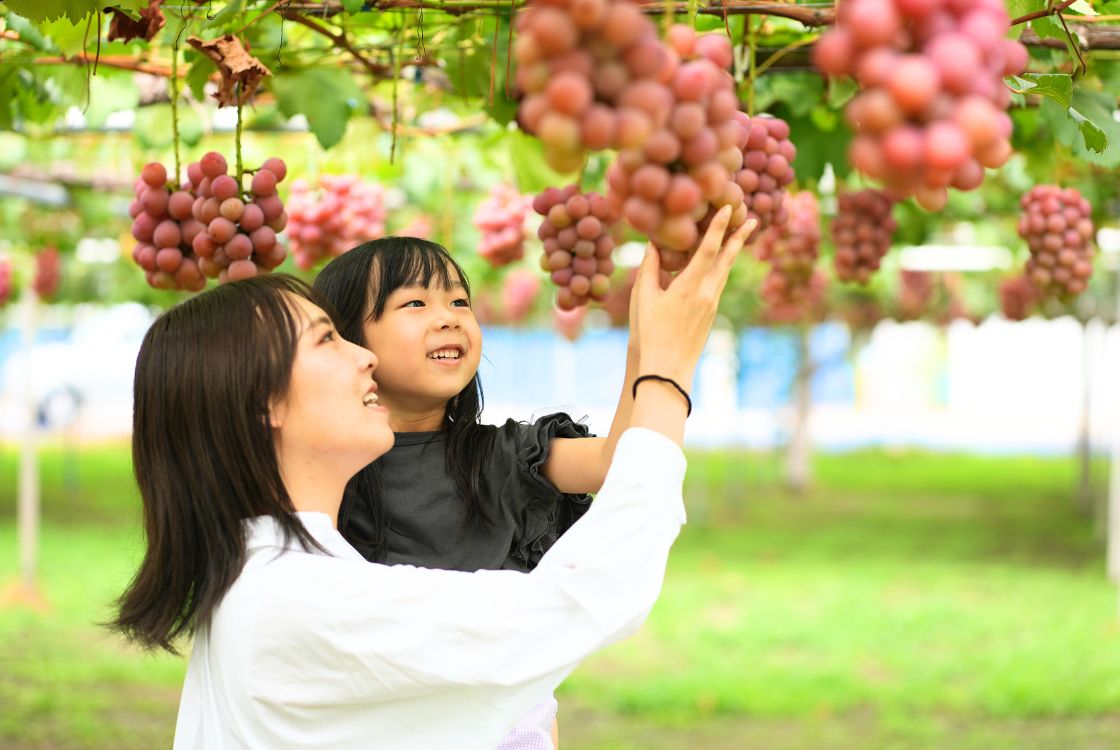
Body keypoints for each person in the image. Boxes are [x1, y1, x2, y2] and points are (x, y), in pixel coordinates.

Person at [113, 207, 754, 749]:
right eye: (328, 340)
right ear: (264, 402)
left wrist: (651, 345)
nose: (364, 356)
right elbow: (586, 598)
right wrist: (667, 369)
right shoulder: (302, 603)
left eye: (456, 301)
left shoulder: (268, 577)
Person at [311, 226, 631, 748]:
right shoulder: (319, 472)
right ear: (347, 343)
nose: (449, 317)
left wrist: (655, 344)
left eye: (460, 301)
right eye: (414, 302)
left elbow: (621, 460)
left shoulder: (506, 457)